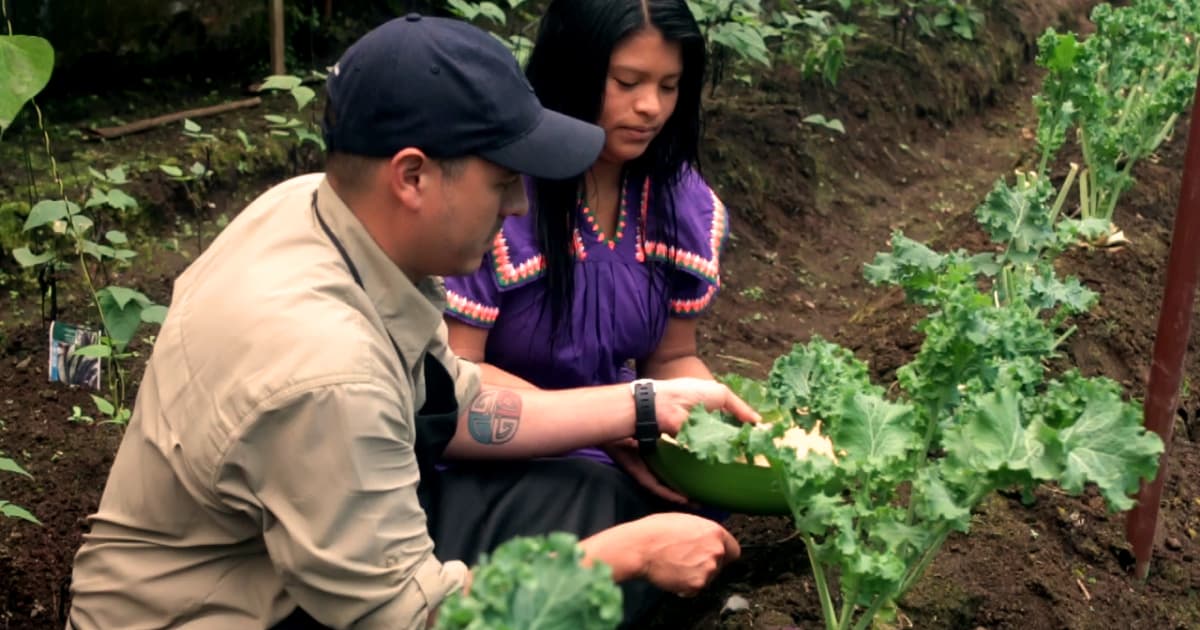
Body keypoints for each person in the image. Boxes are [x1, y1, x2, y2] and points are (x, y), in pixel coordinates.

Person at [65, 15, 756, 630]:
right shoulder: (325, 371)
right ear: (413, 176)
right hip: (228, 610)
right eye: (502, 180)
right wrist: (628, 557)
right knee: (607, 571)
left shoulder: (315, 209)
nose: (520, 205)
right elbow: (410, 615)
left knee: (598, 495)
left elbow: (454, 404)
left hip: (281, 555)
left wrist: (640, 405)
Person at [444, 0, 728, 503]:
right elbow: (459, 378)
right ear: (571, 71)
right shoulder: (502, 198)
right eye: (627, 82)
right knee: (605, 504)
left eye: (669, 86)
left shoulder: (675, 200)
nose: (651, 108)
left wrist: (724, 438)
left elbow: (673, 357)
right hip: (504, 456)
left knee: (699, 507)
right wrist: (607, 419)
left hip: (624, 442)